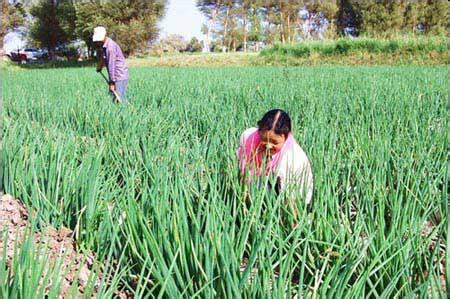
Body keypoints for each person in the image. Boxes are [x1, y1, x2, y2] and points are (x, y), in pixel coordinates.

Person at [237, 109, 313, 218]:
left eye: (275, 142)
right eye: (264, 139)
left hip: (294, 188)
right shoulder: (248, 138)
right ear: (259, 131)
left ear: (286, 137)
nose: (268, 145)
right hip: (263, 178)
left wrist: (288, 219)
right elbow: (243, 171)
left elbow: (291, 199)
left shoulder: (293, 158)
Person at [93, 26, 129, 103]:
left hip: (119, 75)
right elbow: (104, 57)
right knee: (114, 98)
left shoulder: (110, 48)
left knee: (119, 99)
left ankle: (124, 112)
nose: (98, 42)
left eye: (99, 40)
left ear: (104, 36)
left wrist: (112, 82)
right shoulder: (105, 45)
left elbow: (111, 66)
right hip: (116, 75)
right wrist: (99, 66)